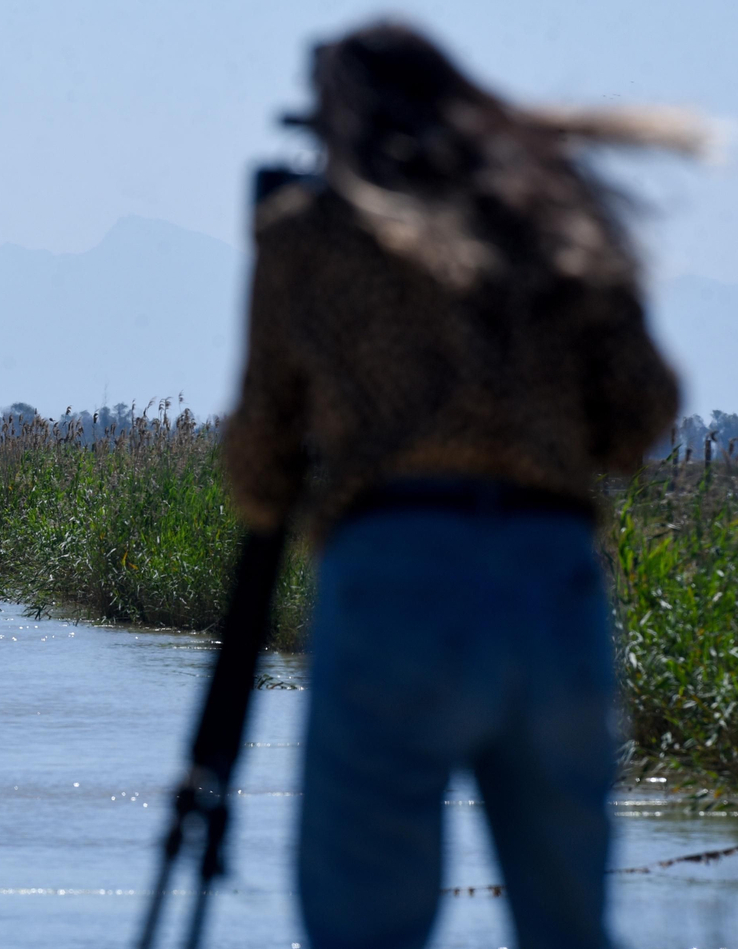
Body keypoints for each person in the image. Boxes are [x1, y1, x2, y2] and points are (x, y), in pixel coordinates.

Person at [223, 22, 701, 949]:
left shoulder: (310, 235)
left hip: (393, 572)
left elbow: (260, 460)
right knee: (569, 922)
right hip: (551, 575)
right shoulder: (545, 219)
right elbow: (642, 403)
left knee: (366, 924)